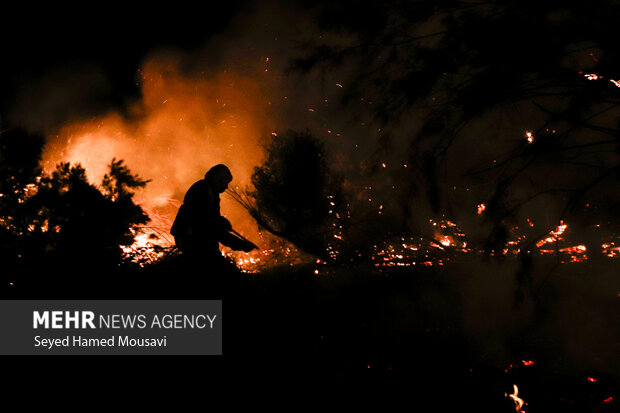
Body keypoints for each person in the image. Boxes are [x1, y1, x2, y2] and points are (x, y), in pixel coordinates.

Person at [170, 164, 257, 266]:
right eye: (225, 182)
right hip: (192, 239)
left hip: (196, 236)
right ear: (217, 179)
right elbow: (210, 225)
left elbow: (214, 225)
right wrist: (240, 244)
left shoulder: (212, 194)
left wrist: (222, 224)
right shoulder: (201, 190)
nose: (226, 186)